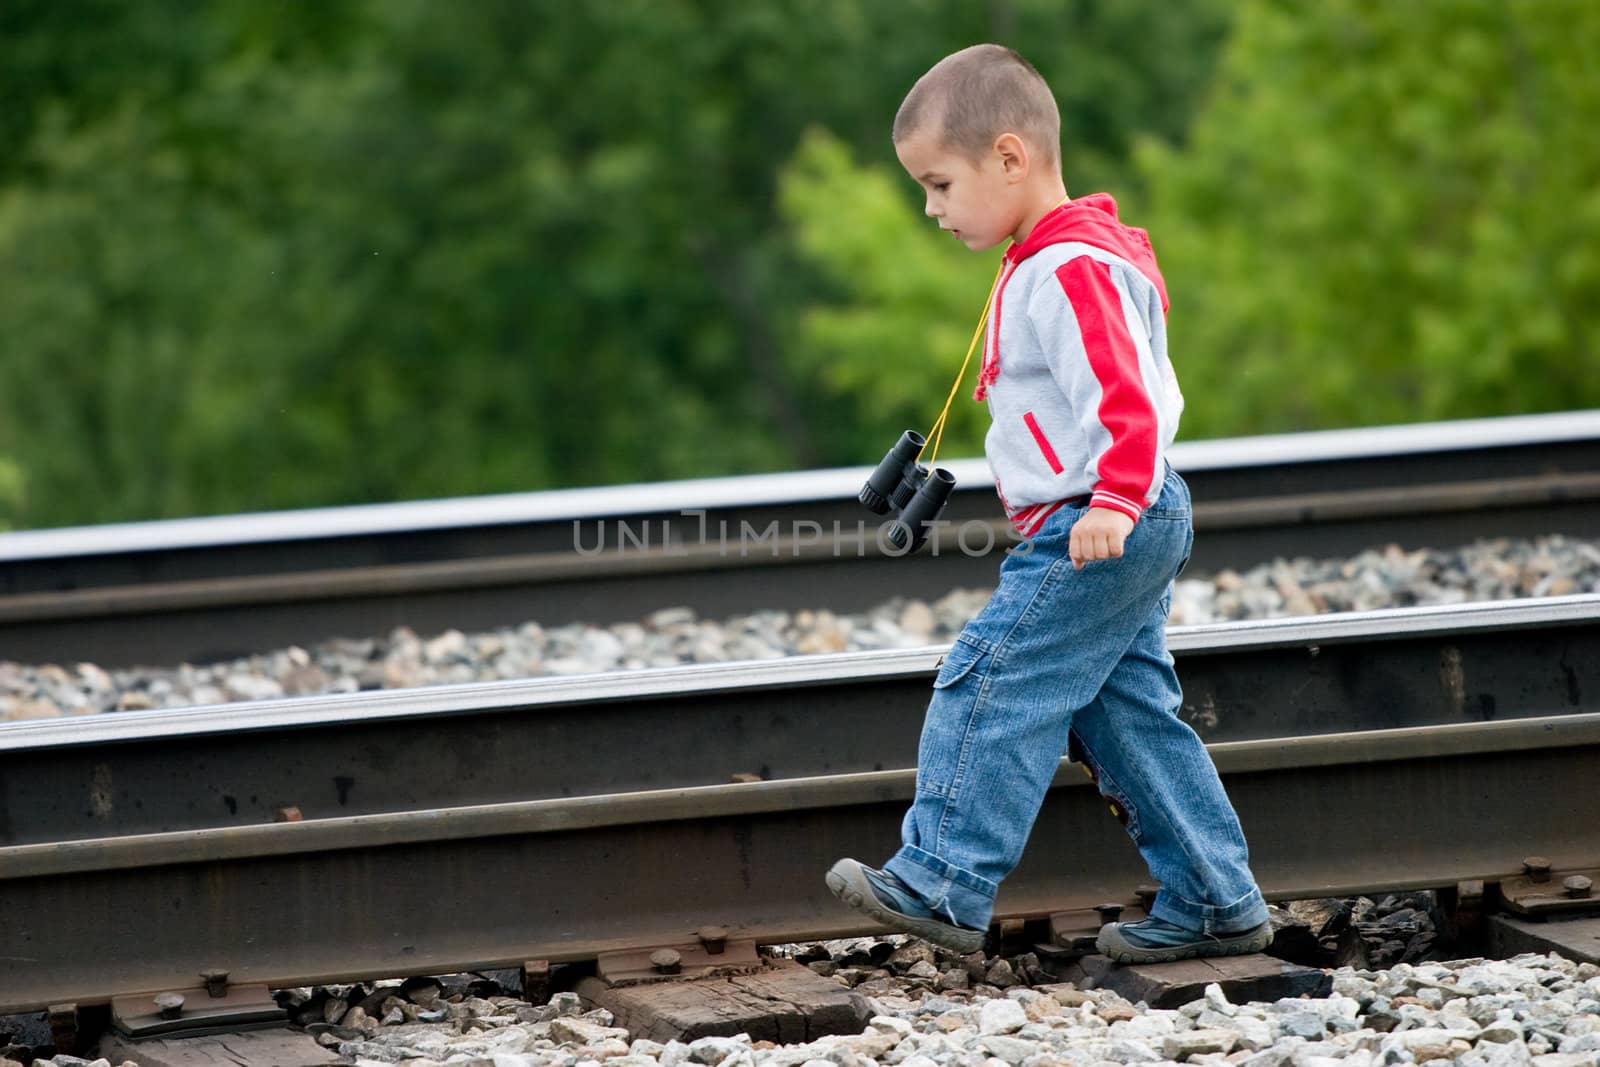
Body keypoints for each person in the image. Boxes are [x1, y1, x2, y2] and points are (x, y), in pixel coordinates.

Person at [825, 43, 1273, 963]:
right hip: (1117, 516)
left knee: (994, 673)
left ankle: (942, 879)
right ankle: (1216, 898)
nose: (931, 209)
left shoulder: (1069, 267)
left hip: (1102, 518)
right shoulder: (1056, 258)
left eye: (940, 184)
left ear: (1009, 158)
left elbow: (1129, 397)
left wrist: (1112, 495)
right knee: (1125, 715)